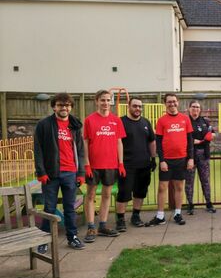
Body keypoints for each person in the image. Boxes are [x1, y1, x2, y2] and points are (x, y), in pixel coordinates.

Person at [34, 93, 86, 252]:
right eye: (60, 105)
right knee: (49, 208)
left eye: (67, 105)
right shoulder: (44, 125)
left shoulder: (74, 126)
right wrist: (41, 172)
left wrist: (81, 173)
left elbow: (80, 150)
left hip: (70, 173)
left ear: (70, 107)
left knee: (70, 207)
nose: (64, 108)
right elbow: (38, 150)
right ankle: (44, 240)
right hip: (50, 174)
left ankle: (73, 237)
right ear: (54, 106)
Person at [83, 90, 126, 242]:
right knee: (90, 196)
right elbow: (86, 143)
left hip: (111, 164)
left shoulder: (116, 120)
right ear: (96, 101)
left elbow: (119, 142)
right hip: (94, 165)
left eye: (108, 100)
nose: (106, 103)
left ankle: (102, 225)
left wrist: (120, 163)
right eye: (102, 100)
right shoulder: (89, 120)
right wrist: (87, 164)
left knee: (107, 195)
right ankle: (90, 227)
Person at [147, 93, 194, 226]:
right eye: (169, 102)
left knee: (179, 186)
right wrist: (161, 160)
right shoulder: (161, 120)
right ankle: (160, 215)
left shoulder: (185, 119)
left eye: (174, 101)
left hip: (182, 159)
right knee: (162, 187)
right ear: (165, 104)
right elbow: (159, 142)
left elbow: (190, 140)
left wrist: (190, 158)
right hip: (167, 160)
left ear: (178, 102)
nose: (172, 104)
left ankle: (178, 214)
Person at [115, 98, 157, 230]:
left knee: (140, 192)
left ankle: (136, 216)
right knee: (124, 192)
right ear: (128, 106)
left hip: (144, 164)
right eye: (135, 106)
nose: (138, 109)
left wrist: (153, 158)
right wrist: (120, 163)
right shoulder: (121, 122)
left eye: (140, 106)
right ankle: (120, 219)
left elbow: (152, 141)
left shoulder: (145, 122)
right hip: (127, 165)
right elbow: (117, 142)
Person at [185, 100, 216, 214]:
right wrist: (193, 141)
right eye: (193, 107)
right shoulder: (185, 121)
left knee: (205, 180)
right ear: (189, 108)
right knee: (189, 181)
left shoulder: (205, 121)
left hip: (203, 155)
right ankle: (190, 205)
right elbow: (181, 137)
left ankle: (209, 203)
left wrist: (211, 135)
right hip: (189, 156)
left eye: (198, 107)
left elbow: (212, 132)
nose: (195, 109)